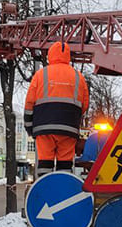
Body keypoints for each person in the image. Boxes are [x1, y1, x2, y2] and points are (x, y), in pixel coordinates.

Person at [24, 42, 89, 179]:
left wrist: (30, 128)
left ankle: (44, 192)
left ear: (50, 55)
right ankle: (63, 194)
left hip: (44, 127)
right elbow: (84, 105)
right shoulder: (78, 77)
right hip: (68, 129)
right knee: (65, 165)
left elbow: (29, 103)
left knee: (44, 164)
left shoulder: (41, 74)